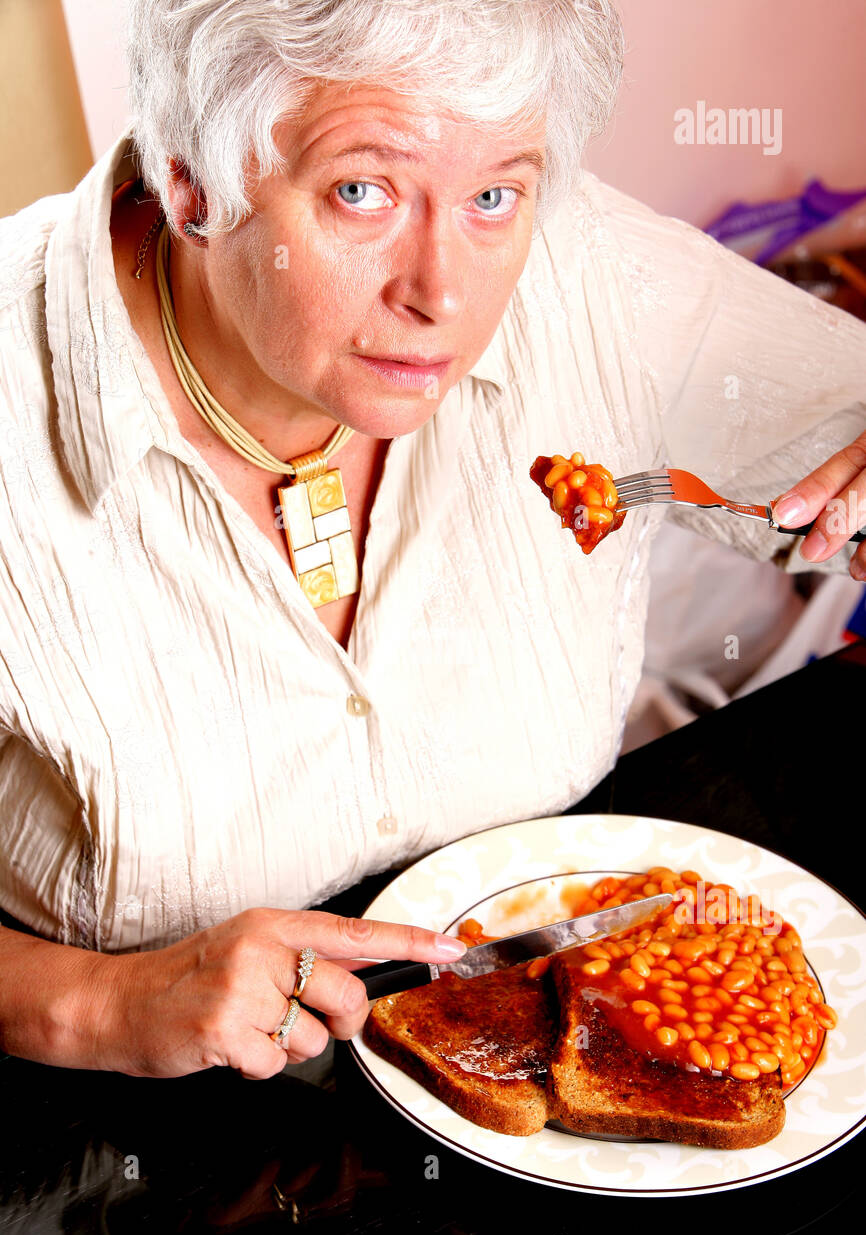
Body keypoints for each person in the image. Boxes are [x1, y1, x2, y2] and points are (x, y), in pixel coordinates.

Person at [1, 0, 864, 1080]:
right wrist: (92, 1002)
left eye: (494, 194)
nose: (443, 296)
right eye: (360, 191)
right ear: (191, 179)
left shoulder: (593, 273)